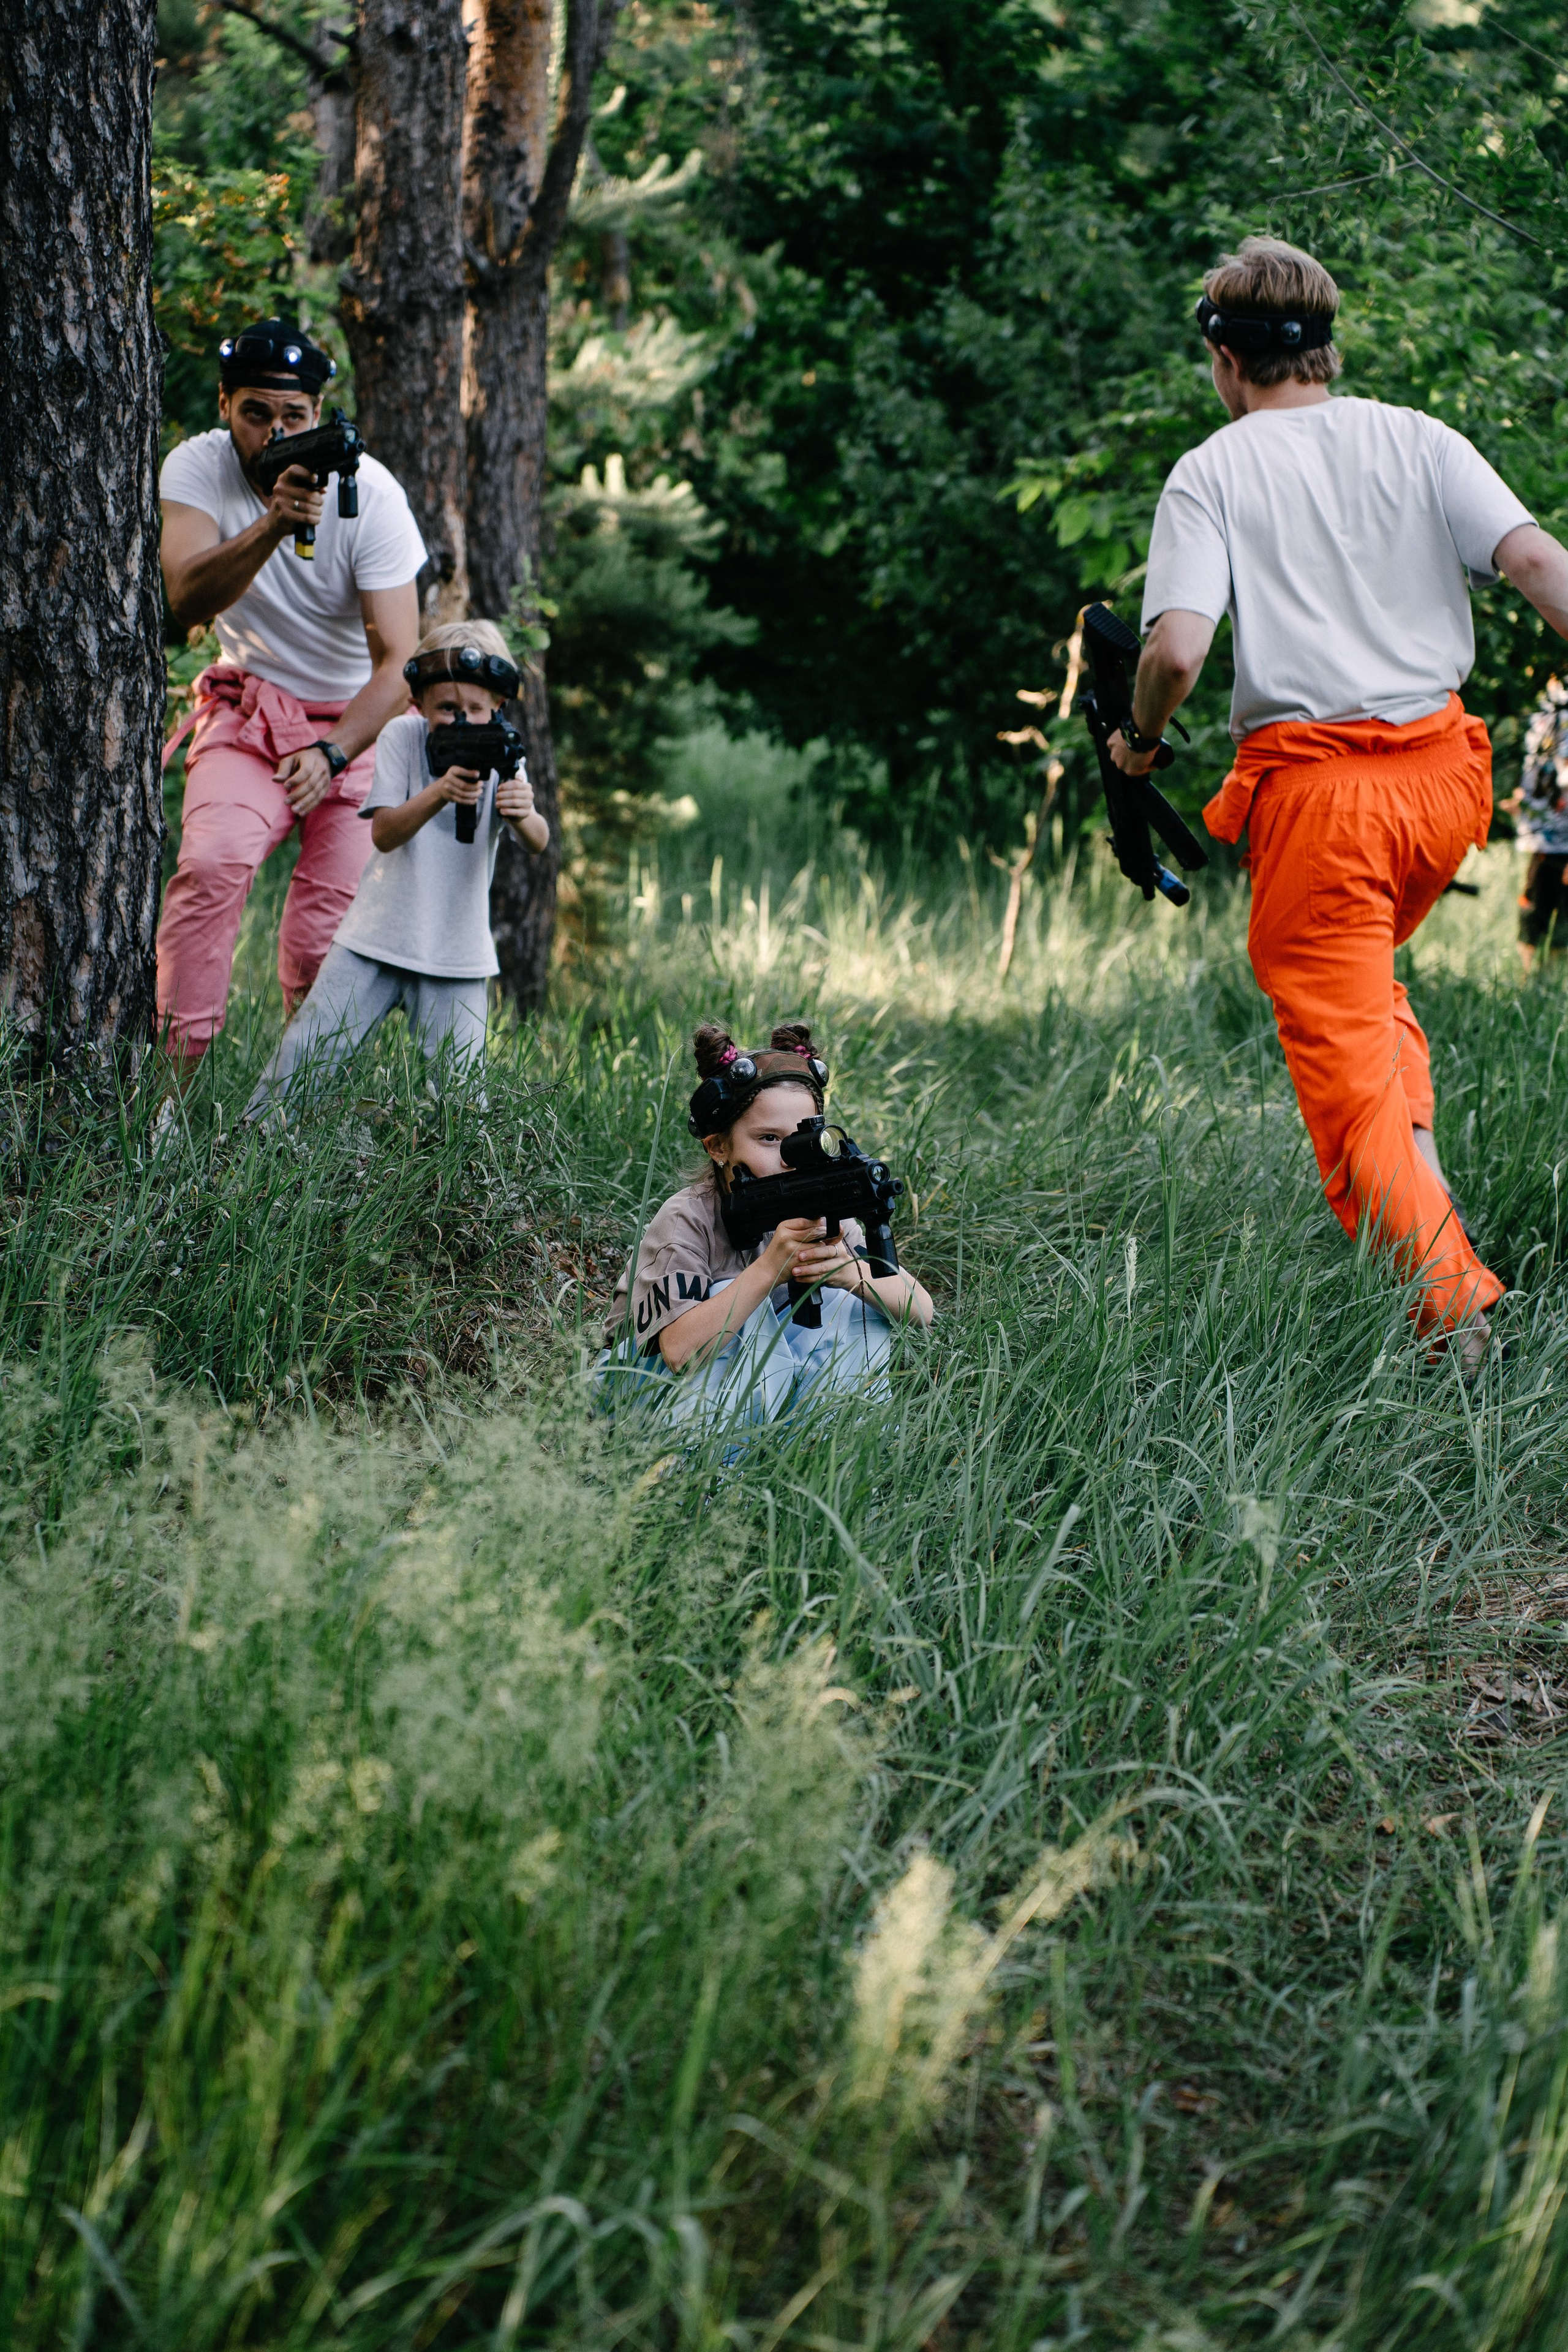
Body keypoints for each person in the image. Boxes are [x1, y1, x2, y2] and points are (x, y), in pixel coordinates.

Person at [1111, 236, 1568, 1373]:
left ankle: (1451, 1320)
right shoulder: (1418, 437)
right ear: (1325, 346)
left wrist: (1139, 741)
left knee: (1337, 1050)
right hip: (1445, 783)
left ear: (1225, 358)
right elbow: (1540, 568)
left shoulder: (1213, 471)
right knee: (1369, 1008)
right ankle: (1429, 1198)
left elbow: (1173, 648)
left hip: (1326, 803)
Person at [157, 316, 425, 1065]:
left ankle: (296, 1112)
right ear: (223, 405)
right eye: (255, 413)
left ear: (316, 414)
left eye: (293, 417)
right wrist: (273, 524)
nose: (274, 433)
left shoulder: (372, 495)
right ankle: (171, 1088)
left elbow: (400, 659)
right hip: (251, 710)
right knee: (211, 868)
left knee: (325, 939)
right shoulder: (196, 468)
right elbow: (186, 599)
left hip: (357, 726)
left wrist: (334, 755)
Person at [243, 623, 548, 1118]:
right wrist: (439, 793)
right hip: (375, 935)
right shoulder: (402, 736)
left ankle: (462, 1191)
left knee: (463, 1102)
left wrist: (522, 810)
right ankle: (253, 1145)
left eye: (474, 709)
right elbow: (384, 832)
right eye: (446, 709)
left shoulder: (504, 751)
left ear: (496, 705)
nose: (461, 721)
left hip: (457, 950)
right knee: (305, 1056)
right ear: (420, 704)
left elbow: (538, 840)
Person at [601, 1022, 934, 1431]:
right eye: (769, 1139)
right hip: (636, 1393)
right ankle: (699, 1476)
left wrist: (847, 1272)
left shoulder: (820, 1213)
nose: (789, 1156)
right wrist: (768, 1269)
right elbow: (678, 1351)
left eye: (802, 1139)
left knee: (852, 1304)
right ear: (718, 1146)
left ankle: (835, 1448)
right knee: (733, 1300)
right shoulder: (687, 1219)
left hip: (748, 1395)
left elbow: (921, 1309)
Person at [1506, 677, 1568, 963]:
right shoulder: (1549, 703)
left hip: (1560, 834)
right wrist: (1524, 796)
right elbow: (1537, 759)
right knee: (1535, 905)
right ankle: (1529, 980)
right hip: (1544, 834)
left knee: (1561, 913)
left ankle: (1551, 979)